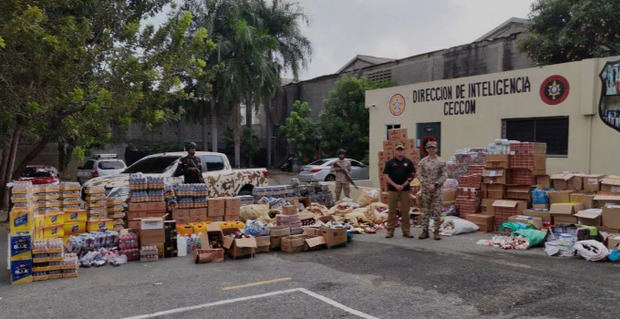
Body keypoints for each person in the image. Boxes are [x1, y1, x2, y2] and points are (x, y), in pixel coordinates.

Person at [382, 143, 415, 238]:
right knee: (392, 211)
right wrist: (395, 185)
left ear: (404, 151)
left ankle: (406, 231)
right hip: (393, 190)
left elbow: (412, 175)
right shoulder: (390, 162)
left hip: (405, 190)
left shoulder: (408, 162)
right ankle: (390, 231)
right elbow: (386, 176)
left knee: (405, 211)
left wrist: (404, 185)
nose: (400, 151)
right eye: (398, 150)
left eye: (401, 150)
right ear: (395, 151)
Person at [417, 140, 447, 240]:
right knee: (425, 210)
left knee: (437, 211)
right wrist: (426, 184)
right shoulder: (422, 162)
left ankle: (436, 231)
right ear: (427, 150)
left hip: (437, 190)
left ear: (436, 149)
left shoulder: (441, 161)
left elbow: (444, 175)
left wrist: (435, 184)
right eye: (429, 148)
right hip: (426, 190)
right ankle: (425, 231)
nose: (431, 150)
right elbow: (419, 174)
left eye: (433, 148)